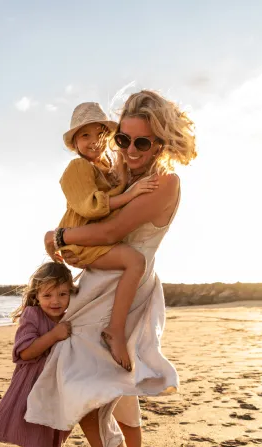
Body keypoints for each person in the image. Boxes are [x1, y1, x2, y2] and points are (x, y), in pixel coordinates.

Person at [26, 90, 197, 447]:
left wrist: (60, 236)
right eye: (123, 138)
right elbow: (91, 205)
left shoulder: (165, 182)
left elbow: (113, 230)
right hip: (99, 282)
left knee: (86, 393)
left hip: (123, 291)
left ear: (161, 142)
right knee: (116, 394)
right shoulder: (121, 171)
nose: (130, 149)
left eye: (141, 142)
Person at [55, 101, 159, 371]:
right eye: (84, 135)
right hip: (81, 240)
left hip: (97, 238)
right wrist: (131, 194)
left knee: (133, 261)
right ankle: (115, 330)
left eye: (98, 134)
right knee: (135, 261)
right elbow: (90, 205)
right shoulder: (77, 168)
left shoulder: (105, 167)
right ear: (75, 142)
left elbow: (122, 182)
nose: (92, 141)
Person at [0, 262, 76, 447]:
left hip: (60, 390)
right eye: (48, 295)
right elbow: (25, 353)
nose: (55, 301)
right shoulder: (32, 315)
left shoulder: (71, 317)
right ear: (37, 295)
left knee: (55, 445)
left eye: (62, 294)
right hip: (35, 390)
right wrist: (54, 335)